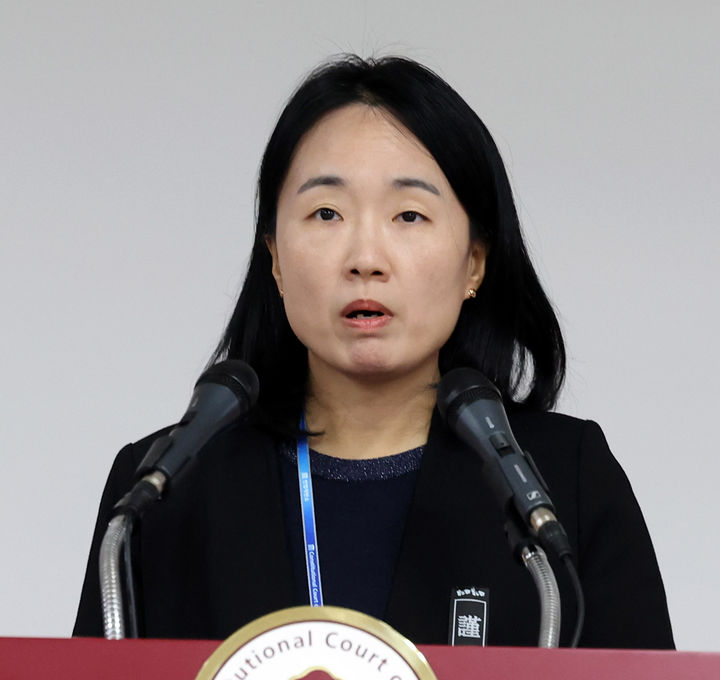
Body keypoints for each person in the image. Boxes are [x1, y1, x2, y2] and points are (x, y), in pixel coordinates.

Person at [74, 55, 674, 648]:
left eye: (409, 215)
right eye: (326, 213)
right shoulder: (160, 490)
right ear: (275, 258)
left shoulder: (560, 484)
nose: (366, 258)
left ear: (474, 263)